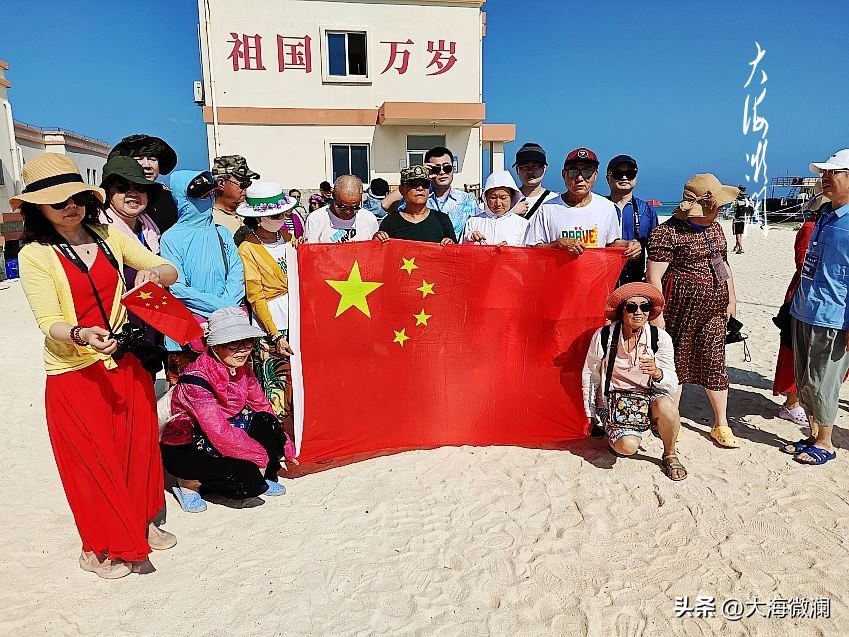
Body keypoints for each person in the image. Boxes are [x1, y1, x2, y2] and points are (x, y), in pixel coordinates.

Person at [13, 153, 179, 578]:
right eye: (58, 202)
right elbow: (47, 321)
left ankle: (140, 521)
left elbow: (167, 268)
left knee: (138, 446)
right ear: (37, 208)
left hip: (126, 359)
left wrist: (154, 275)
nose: (71, 207)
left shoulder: (109, 236)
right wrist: (80, 334)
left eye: (78, 198)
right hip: (74, 370)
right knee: (92, 459)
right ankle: (98, 546)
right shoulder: (35, 254)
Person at [161, 307, 294, 513]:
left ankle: (254, 471)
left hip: (226, 430)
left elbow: (262, 405)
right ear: (215, 345)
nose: (243, 349)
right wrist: (259, 456)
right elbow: (217, 430)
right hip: (189, 441)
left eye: (248, 341)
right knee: (246, 484)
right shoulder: (196, 380)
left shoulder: (242, 368)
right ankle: (188, 483)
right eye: (233, 342)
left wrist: (285, 443)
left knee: (268, 422)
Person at [646, 174, 740, 448]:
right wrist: (658, 313)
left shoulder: (716, 229)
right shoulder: (668, 232)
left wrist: (732, 298)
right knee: (677, 363)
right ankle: (671, 419)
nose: (721, 207)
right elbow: (654, 277)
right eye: (717, 203)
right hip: (678, 310)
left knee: (715, 361)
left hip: (714, 310)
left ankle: (721, 423)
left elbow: (723, 264)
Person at [582, 283, 686, 480]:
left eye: (644, 307)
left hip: (648, 397)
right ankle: (620, 435)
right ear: (622, 311)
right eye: (631, 307)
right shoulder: (604, 336)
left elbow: (672, 383)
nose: (638, 312)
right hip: (614, 401)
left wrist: (657, 373)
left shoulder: (659, 338)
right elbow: (590, 374)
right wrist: (590, 414)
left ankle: (670, 453)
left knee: (668, 407)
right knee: (627, 447)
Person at [785, 149, 849, 465]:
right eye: (824, 173)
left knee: (825, 379)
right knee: (806, 377)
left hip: (834, 315)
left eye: (833, 173)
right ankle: (812, 435)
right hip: (804, 308)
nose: (825, 178)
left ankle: (825, 441)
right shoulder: (824, 215)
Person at [159, 170, 246, 384]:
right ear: (183, 199)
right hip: (191, 333)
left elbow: (236, 272)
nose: (207, 200)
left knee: (231, 395)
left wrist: (228, 304)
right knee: (192, 400)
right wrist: (220, 306)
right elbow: (177, 287)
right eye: (200, 196)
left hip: (228, 328)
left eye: (210, 195)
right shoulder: (171, 238)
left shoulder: (222, 232)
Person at [236, 182, 297, 418]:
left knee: (297, 381)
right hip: (271, 323)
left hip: (296, 318)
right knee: (276, 384)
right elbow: (255, 295)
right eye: (275, 215)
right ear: (259, 218)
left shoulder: (289, 237)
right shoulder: (248, 248)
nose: (280, 218)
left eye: (282, 213)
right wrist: (274, 334)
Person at [524, 147, 641, 260]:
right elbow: (531, 249)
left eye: (586, 172)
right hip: (557, 278)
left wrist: (629, 244)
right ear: (564, 174)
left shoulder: (607, 207)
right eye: (573, 172)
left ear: (595, 175)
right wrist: (557, 245)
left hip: (595, 278)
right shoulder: (547, 209)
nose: (580, 178)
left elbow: (611, 243)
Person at [773, 186, 827, 427]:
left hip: (828, 298)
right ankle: (792, 403)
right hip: (806, 297)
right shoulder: (810, 228)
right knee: (796, 351)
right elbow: (803, 264)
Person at [381, 146, 477, 238]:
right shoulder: (418, 196)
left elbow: (475, 229)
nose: (442, 172)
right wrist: (420, 175)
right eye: (436, 169)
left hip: (454, 253)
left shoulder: (467, 199)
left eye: (447, 168)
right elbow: (386, 205)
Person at [108, 134, 180, 232]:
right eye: (139, 159)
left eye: (152, 159)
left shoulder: (172, 200)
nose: (146, 165)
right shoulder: (109, 199)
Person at [606, 154, 659, 284]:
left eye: (630, 173)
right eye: (618, 174)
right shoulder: (598, 208)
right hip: (603, 278)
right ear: (608, 177)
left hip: (635, 280)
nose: (624, 177)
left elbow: (655, 250)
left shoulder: (646, 210)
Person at [374, 166, 457, 245]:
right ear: (401, 189)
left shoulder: (442, 220)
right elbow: (380, 255)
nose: (420, 188)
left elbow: (456, 256)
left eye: (425, 184)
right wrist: (378, 239)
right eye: (414, 183)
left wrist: (450, 245)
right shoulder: (390, 222)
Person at [303, 175, 379, 243]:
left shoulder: (369, 218)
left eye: (355, 207)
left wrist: (379, 238)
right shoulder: (315, 219)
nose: (348, 212)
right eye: (342, 207)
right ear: (333, 196)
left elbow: (375, 252)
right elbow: (311, 254)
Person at [462, 170, 528, 246]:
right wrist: (469, 238)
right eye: (493, 197)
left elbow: (528, 254)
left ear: (512, 198)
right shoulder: (473, 222)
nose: (498, 203)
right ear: (485, 198)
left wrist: (510, 250)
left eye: (503, 198)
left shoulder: (522, 224)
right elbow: (461, 251)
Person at [211, 155, 260, 236]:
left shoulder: (251, 214)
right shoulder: (209, 220)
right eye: (243, 184)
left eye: (249, 183)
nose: (246, 188)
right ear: (221, 183)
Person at [513, 142, 558, 218]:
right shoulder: (507, 199)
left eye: (536, 166)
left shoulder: (554, 200)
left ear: (544, 168)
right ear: (517, 170)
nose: (530, 171)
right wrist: (512, 213)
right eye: (524, 167)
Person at [732, 187, 754, 254]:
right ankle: (737, 246)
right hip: (745, 218)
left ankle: (740, 248)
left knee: (737, 233)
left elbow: (734, 207)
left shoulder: (737, 198)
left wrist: (734, 217)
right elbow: (752, 207)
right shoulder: (748, 197)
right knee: (740, 233)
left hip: (738, 218)